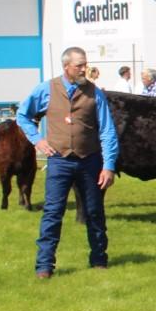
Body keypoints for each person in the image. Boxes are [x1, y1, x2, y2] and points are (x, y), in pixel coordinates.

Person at [15, 47, 119, 279]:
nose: (84, 68)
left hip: (90, 160)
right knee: (52, 212)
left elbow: (108, 131)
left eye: (85, 64)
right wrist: (38, 140)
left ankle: (99, 259)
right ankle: (44, 266)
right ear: (66, 67)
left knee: (94, 212)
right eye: (79, 65)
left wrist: (108, 165)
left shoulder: (95, 93)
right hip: (59, 161)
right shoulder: (46, 89)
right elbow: (22, 115)